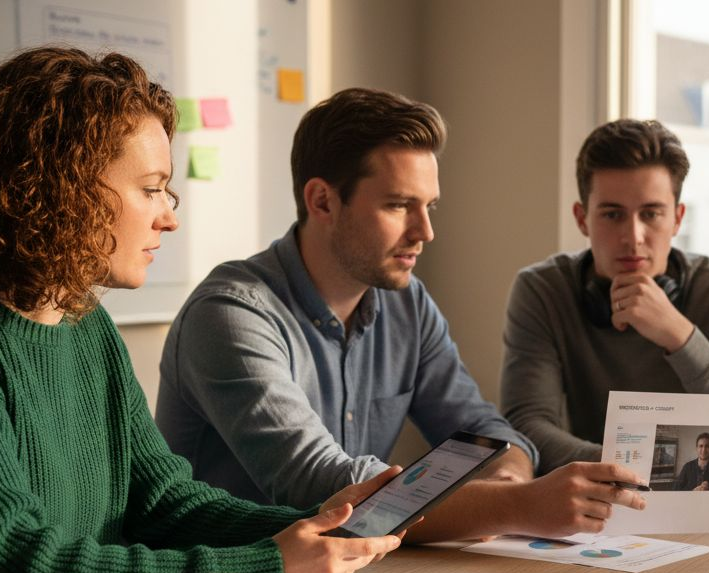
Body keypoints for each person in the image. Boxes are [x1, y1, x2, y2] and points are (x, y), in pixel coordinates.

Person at [0, 48, 401, 573]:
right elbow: (10, 570)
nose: (168, 218)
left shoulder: (85, 322)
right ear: (57, 187)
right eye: (151, 189)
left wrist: (319, 521)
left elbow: (161, 504)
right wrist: (267, 572)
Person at [155, 87, 646, 543]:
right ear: (322, 200)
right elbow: (319, 486)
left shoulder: (406, 303)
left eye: (429, 205)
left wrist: (508, 476)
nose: (426, 231)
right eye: (398, 205)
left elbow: (480, 429)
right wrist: (516, 504)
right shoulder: (231, 315)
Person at [499, 119, 709, 477]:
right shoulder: (543, 290)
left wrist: (679, 336)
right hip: (599, 502)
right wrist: (639, 469)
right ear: (582, 219)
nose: (633, 236)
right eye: (612, 214)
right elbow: (527, 425)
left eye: (651, 214)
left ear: (678, 219)